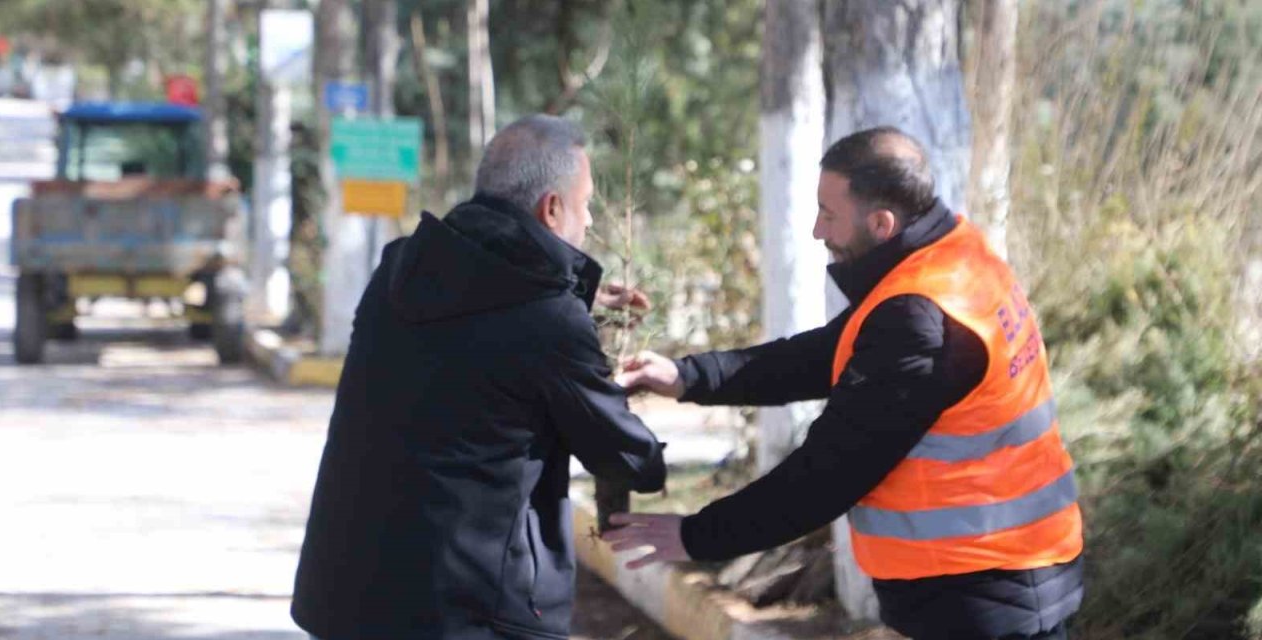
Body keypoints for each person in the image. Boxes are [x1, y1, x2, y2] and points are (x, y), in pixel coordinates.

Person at [605, 127, 1084, 640]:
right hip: (1004, 578)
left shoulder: (919, 315)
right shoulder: (953, 262)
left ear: (881, 223)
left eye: (828, 215)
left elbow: (828, 472)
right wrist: (688, 377)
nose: (816, 230)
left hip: (982, 593)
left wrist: (696, 535)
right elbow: (824, 355)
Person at [291, 114, 667, 640]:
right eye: (585, 207)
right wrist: (628, 393)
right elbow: (632, 462)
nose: (590, 224)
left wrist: (579, 299)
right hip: (470, 615)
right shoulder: (549, 320)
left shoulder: (398, 271)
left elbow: (481, 323)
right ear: (552, 210)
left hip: (345, 601)